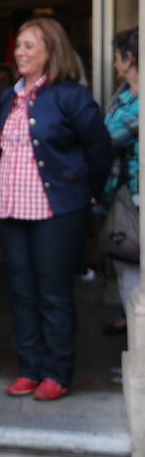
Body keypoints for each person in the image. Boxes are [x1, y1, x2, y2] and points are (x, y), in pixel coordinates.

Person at [0, 17, 111, 401]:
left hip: (56, 210)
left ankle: (56, 373)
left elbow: (99, 149)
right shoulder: (9, 96)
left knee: (54, 293)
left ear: (51, 51)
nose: (20, 52)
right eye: (19, 46)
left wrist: (88, 192)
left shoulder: (70, 96)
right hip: (12, 208)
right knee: (22, 292)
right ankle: (29, 368)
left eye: (29, 45)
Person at [102, 27, 140, 337]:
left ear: (128, 58)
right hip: (121, 192)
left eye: (116, 58)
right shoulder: (125, 94)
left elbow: (106, 139)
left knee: (132, 268)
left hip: (136, 195)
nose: (114, 64)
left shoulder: (138, 103)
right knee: (125, 264)